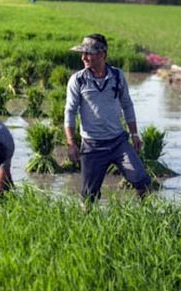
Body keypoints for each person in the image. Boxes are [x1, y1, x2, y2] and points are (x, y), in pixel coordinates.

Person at [64, 33, 151, 202]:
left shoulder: (117, 76)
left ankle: (145, 215)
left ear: (102, 54)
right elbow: (70, 111)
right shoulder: (78, 80)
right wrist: (71, 143)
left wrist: (134, 134)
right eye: (83, 53)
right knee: (89, 196)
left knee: (142, 181)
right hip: (92, 145)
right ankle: (86, 223)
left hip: (118, 142)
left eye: (88, 53)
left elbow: (127, 105)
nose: (83, 57)